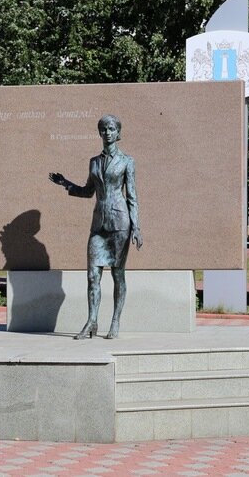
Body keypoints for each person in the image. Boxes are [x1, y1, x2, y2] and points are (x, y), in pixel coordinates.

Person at [49, 115, 142, 340]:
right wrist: (66, 183)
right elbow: (88, 191)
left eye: (111, 128)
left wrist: (136, 227)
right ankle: (92, 321)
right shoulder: (94, 162)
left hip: (120, 224)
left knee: (117, 274)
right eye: (103, 129)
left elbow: (132, 196)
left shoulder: (127, 161)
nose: (107, 132)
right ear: (99, 133)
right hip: (98, 224)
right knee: (92, 275)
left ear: (118, 132)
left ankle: (115, 321)